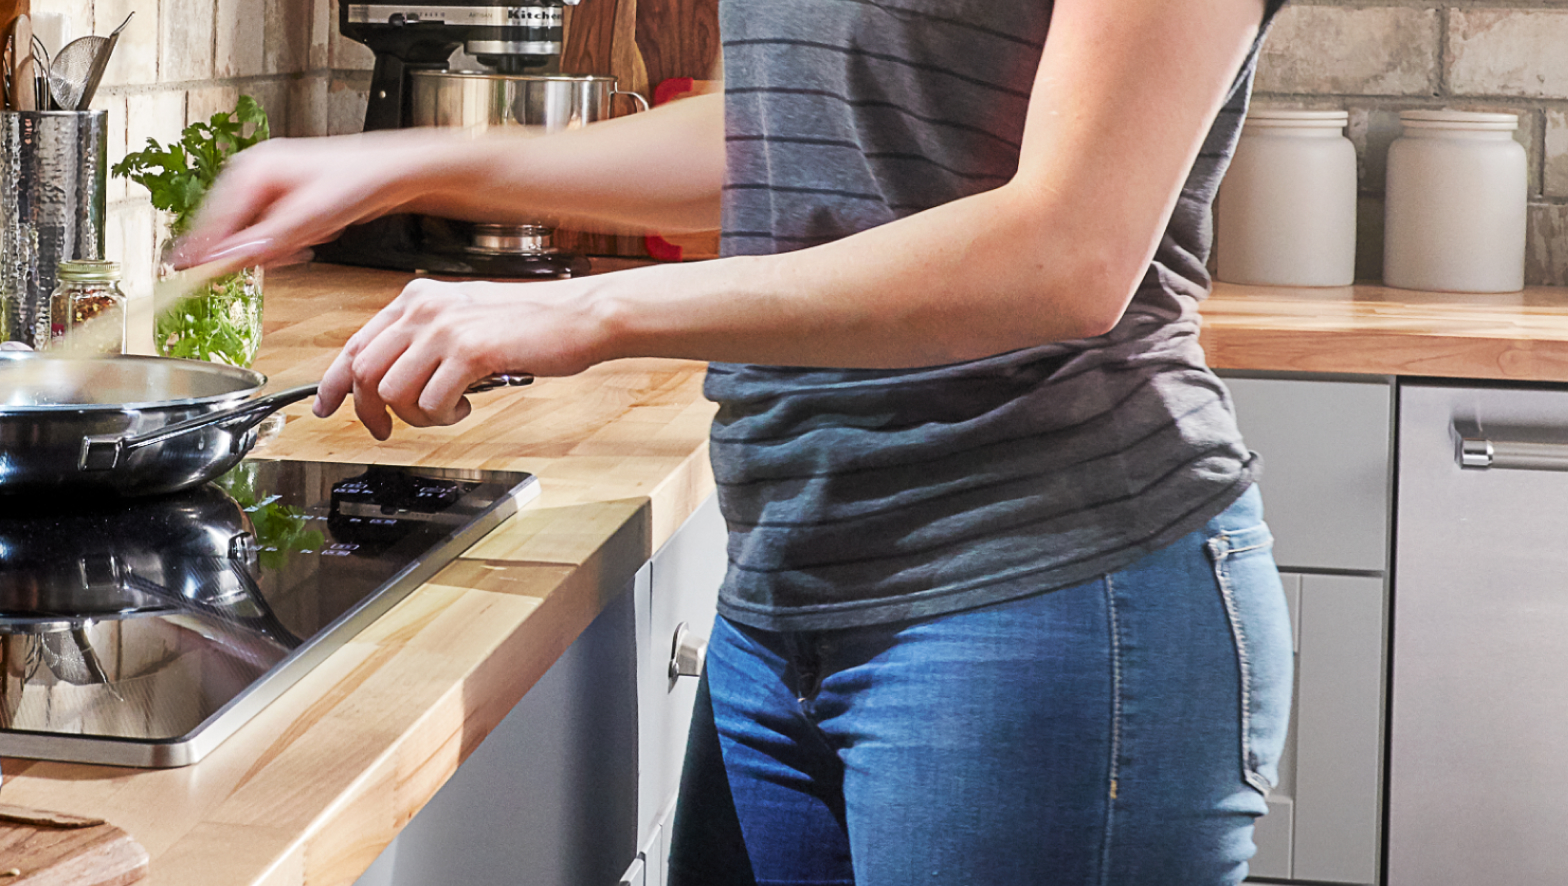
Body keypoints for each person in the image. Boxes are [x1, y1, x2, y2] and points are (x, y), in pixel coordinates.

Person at [167, 0, 1293, 881]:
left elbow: (1065, 252)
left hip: (1044, 597)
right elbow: (784, 120)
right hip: (786, 591)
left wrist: (593, 312)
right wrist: (413, 162)